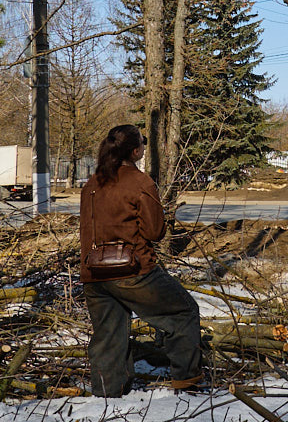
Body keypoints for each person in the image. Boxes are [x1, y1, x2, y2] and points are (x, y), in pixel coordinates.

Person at [80, 124, 203, 396]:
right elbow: (154, 232)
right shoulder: (141, 182)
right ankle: (187, 382)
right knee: (183, 313)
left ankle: (107, 394)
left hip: (94, 275)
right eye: (142, 146)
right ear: (135, 151)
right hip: (133, 271)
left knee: (108, 336)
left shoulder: (92, 183)